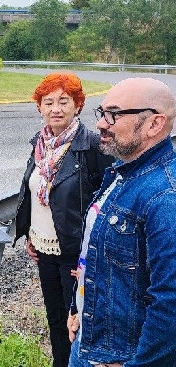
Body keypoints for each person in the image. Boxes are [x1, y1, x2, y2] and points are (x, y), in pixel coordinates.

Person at [68, 77, 176, 367]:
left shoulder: (165, 195)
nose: (102, 124)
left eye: (114, 115)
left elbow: (170, 300)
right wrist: (76, 309)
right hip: (89, 341)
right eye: (102, 113)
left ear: (154, 124)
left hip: (122, 357)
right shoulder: (120, 172)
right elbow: (95, 252)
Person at [13, 72, 113, 367]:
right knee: (56, 321)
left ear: (78, 106)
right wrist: (30, 233)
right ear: (39, 108)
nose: (56, 109)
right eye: (48, 102)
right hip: (44, 251)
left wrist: (90, 259)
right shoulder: (39, 145)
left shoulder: (93, 146)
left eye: (64, 101)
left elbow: (106, 203)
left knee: (79, 325)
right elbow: (34, 194)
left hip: (76, 257)